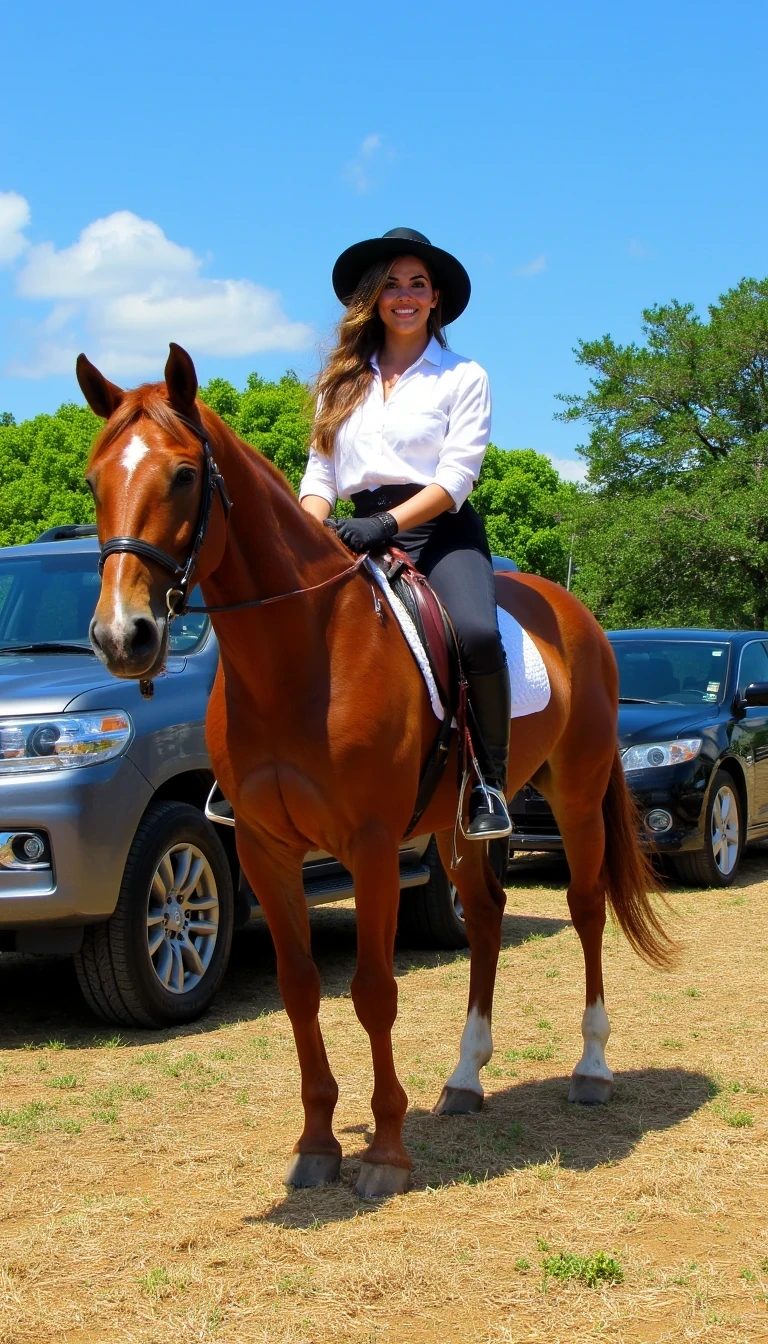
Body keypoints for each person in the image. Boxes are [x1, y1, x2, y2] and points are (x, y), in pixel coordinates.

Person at [299, 226, 511, 839]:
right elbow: (321, 473)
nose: (405, 295)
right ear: (373, 297)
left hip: (437, 530)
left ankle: (487, 784)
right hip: (352, 527)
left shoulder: (463, 376)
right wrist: (306, 537)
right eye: (391, 284)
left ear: (435, 298)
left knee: (474, 632)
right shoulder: (340, 381)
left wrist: (386, 524)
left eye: (417, 284)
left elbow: (456, 479)